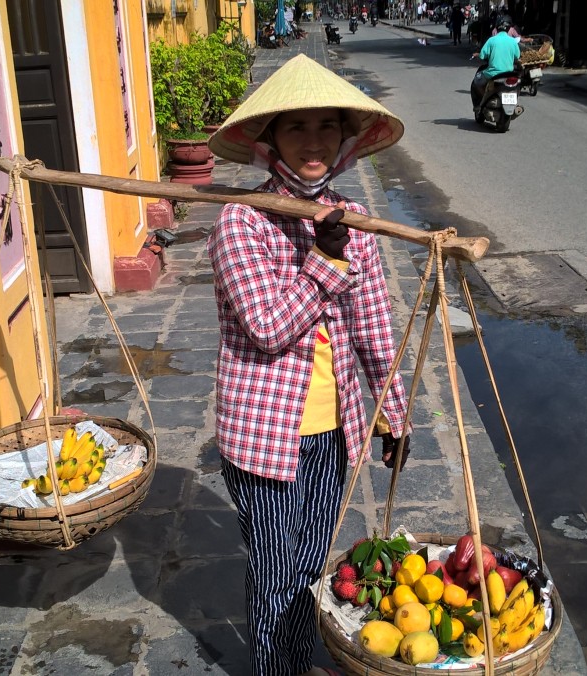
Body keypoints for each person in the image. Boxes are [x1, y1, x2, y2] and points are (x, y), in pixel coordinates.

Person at [206, 54, 413, 676]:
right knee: (274, 571)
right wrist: (325, 260)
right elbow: (268, 328)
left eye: (327, 126)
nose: (314, 141)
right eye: (297, 128)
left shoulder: (356, 222)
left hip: (335, 427)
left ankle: (296, 662)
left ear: (345, 138)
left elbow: (374, 325)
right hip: (263, 434)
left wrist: (394, 416)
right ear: (270, 140)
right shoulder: (240, 221)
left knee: (310, 565)